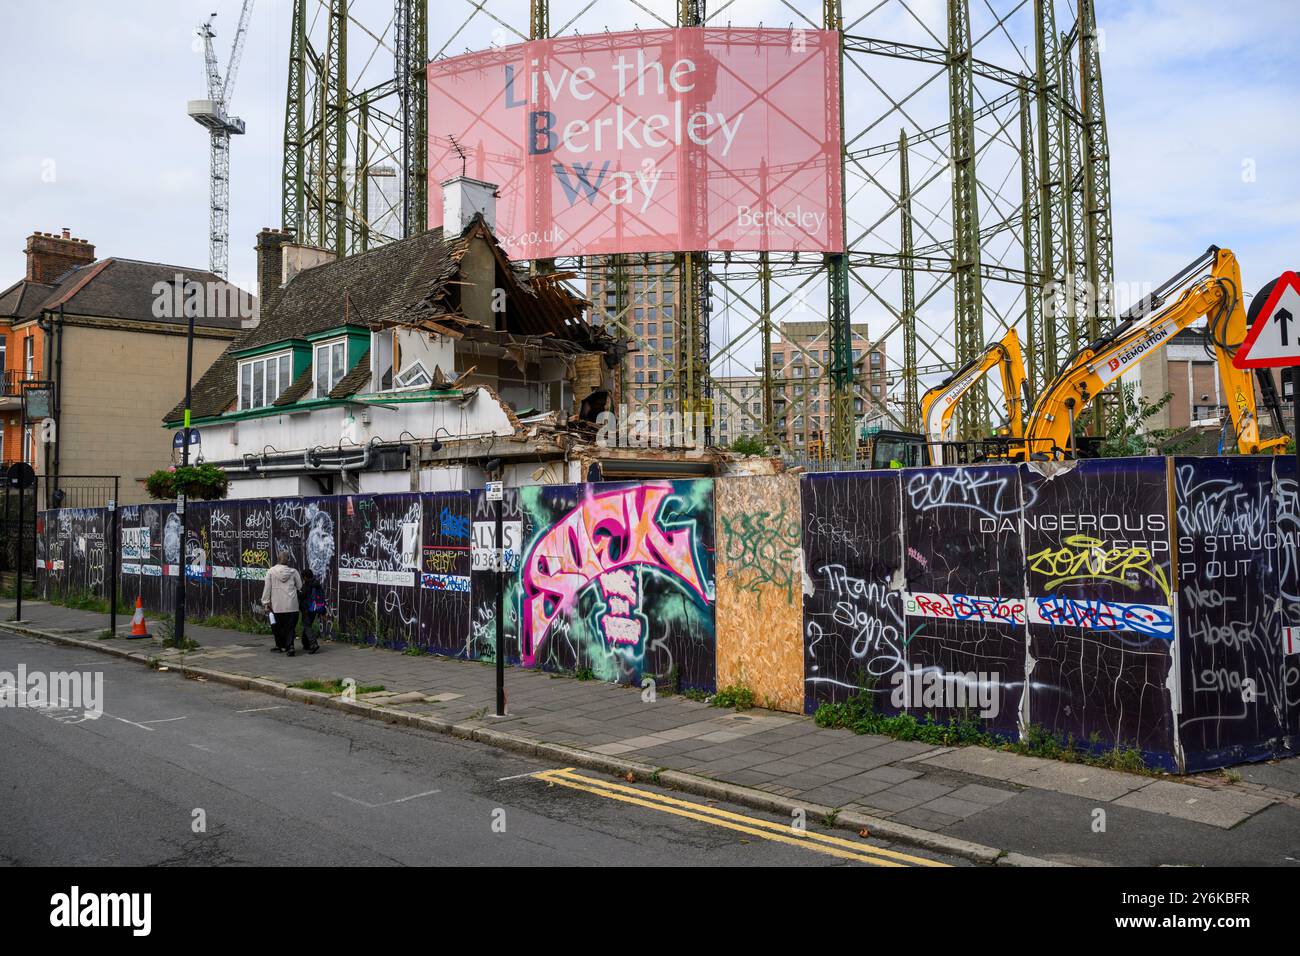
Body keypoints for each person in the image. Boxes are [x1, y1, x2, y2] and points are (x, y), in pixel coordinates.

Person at [260, 549, 303, 656]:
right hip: (292, 605)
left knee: (279, 626)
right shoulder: (293, 572)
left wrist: (265, 602)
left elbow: (267, 588)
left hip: (277, 605)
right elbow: (300, 587)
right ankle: (290, 646)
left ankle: (281, 646)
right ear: (288, 560)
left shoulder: (271, 572)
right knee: (291, 627)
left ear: (278, 559)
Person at [298, 568, 326, 655]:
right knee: (307, 625)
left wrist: (296, 592)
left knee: (307, 626)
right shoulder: (316, 584)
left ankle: (313, 644)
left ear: (305, 577)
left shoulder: (307, 585)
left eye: (303, 577)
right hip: (314, 609)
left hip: (307, 608)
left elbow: (302, 596)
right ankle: (306, 644)